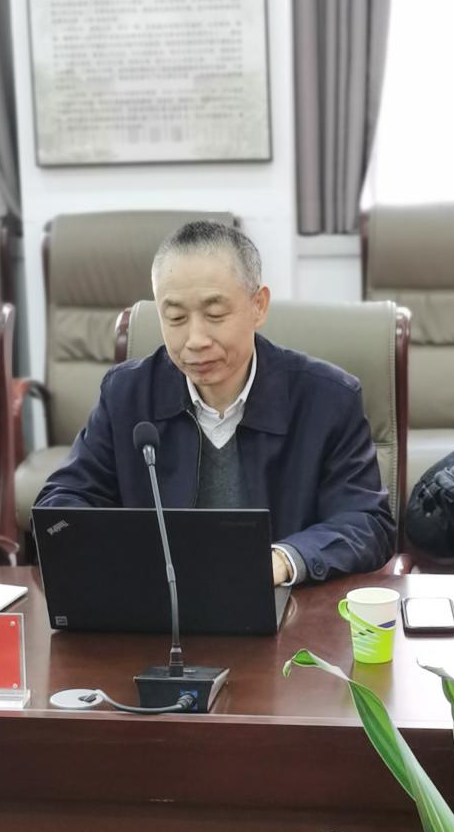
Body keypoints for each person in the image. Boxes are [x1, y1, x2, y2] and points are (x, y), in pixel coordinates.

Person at [36, 221, 396, 584]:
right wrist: (129, 554)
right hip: (160, 605)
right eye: (175, 317)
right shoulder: (127, 395)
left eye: (215, 315)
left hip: (281, 604)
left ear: (258, 306)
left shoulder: (327, 399)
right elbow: (61, 505)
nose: (195, 339)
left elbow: (366, 522)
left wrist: (284, 560)